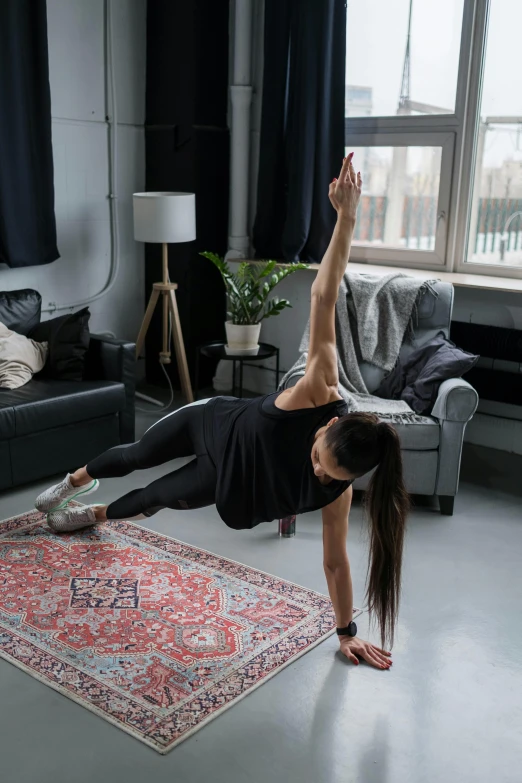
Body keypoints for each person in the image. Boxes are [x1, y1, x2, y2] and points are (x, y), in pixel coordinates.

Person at [35, 153, 409, 670]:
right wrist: (345, 219)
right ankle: (74, 480)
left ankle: (94, 515)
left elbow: (336, 563)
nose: (318, 472)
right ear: (327, 425)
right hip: (209, 420)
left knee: (151, 499)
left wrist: (346, 633)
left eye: (330, 475)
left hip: (224, 474)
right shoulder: (319, 388)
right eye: (321, 458)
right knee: (137, 456)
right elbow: (323, 298)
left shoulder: (337, 489)